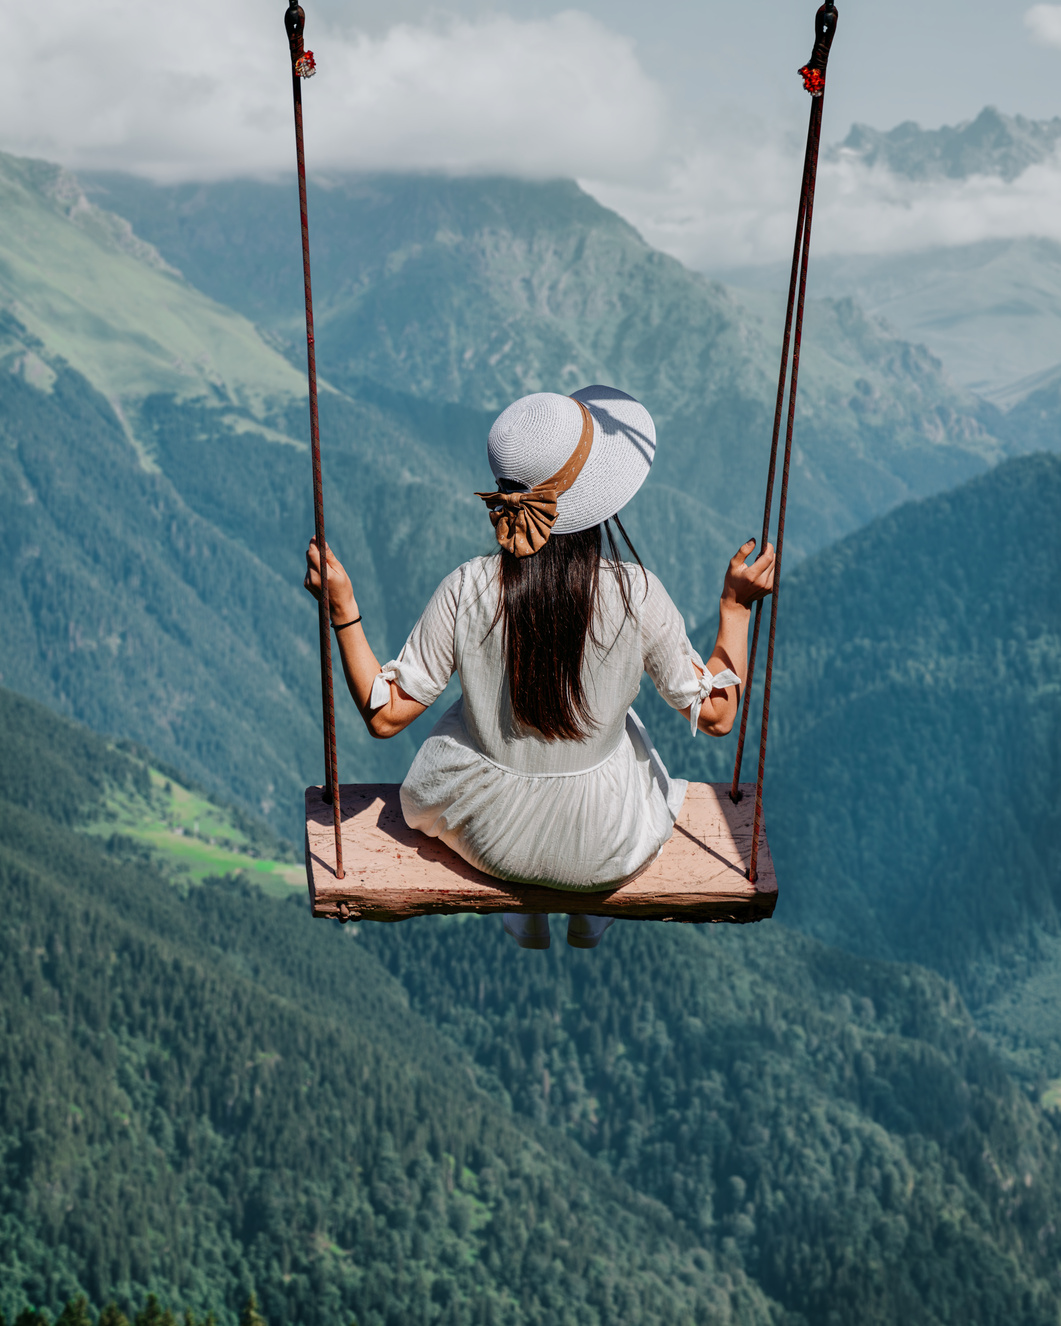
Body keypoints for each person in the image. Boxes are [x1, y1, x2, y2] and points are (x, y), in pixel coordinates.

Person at [304, 386, 774, 950]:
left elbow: (385, 717)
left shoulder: (467, 587)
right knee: (624, 734)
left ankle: (525, 912)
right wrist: (735, 608)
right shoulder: (636, 595)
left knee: (472, 715)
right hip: (605, 844)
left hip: (488, 832)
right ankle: (589, 908)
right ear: (591, 499)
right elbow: (718, 716)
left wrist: (343, 612)